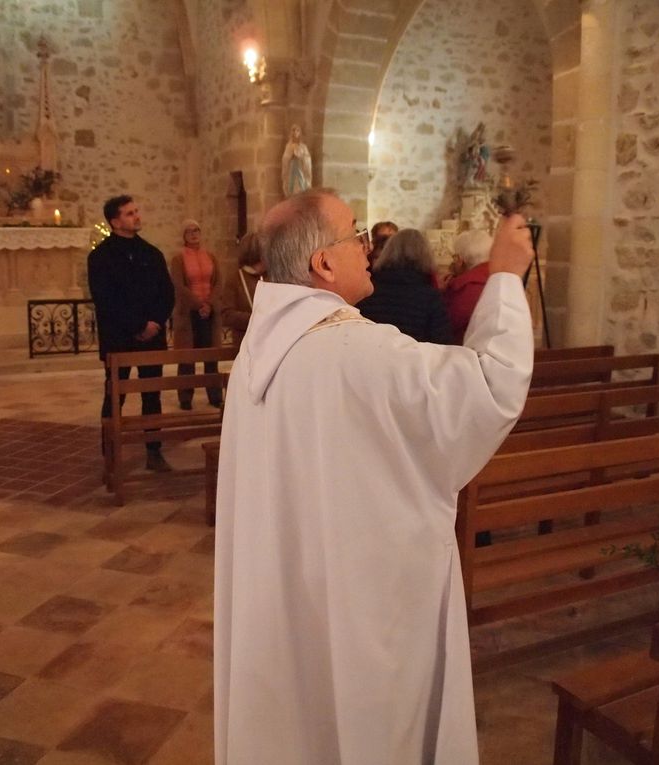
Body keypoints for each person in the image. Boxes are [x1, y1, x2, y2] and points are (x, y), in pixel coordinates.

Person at [214, 188, 535, 764]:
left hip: (290, 590)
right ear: (323, 263)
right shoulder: (361, 351)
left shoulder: (257, 353)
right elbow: (489, 387)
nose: (367, 247)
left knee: (298, 715)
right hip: (364, 603)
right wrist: (506, 278)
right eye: (353, 233)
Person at [87, 195, 176, 472]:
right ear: (115, 221)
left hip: (153, 335)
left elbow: (167, 293)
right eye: (129, 213)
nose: (136, 217)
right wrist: (138, 326)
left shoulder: (151, 253)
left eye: (136, 211)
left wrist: (155, 322)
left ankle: (154, 450)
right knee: (115, 395)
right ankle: (111, 452)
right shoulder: (100, 257)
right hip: (119, 338)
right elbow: (106, 299)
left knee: (152, 395)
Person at [356, 228, 453, 344]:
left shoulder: (367, 289)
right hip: (413, 360)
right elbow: (442, 344)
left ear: (388, 251)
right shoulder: (429, 297)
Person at [170, 219, 223, 410]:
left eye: (196, 230)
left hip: (209, 312)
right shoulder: (178, 259)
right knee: (187, 358)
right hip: (189, 313)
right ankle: (185, 397)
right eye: (189, 231)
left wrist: (209, 304)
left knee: (211, 357)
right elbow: (178, 284)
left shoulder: (210, 256)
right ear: (184, 236)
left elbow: (218, 282)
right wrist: (198, 303)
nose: (194, 234)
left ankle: (215, 395)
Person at [443, 228, 493, 343]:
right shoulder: (497, 276)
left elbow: (447, 325)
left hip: (465, 352)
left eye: (454, 257)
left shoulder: (465, 286)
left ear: (459, 260)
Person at [220, 233, 264, 348]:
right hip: (245, 343)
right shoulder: (235, 279)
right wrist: (255, 319)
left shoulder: (271, 277)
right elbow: (227, 314)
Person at [281, 124, 313, 197]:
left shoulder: (303, 147)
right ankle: (290, 195)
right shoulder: (288, 146)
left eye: (297, 131)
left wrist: (302, 157)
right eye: (293, 130)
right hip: (292, 166)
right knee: (291, 183)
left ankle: (302, 193)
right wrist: (291, 156)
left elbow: (308, 158)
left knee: (301, 182)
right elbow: (285, 159)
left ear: (300, 133)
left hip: (300, 167)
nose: (295, 132)